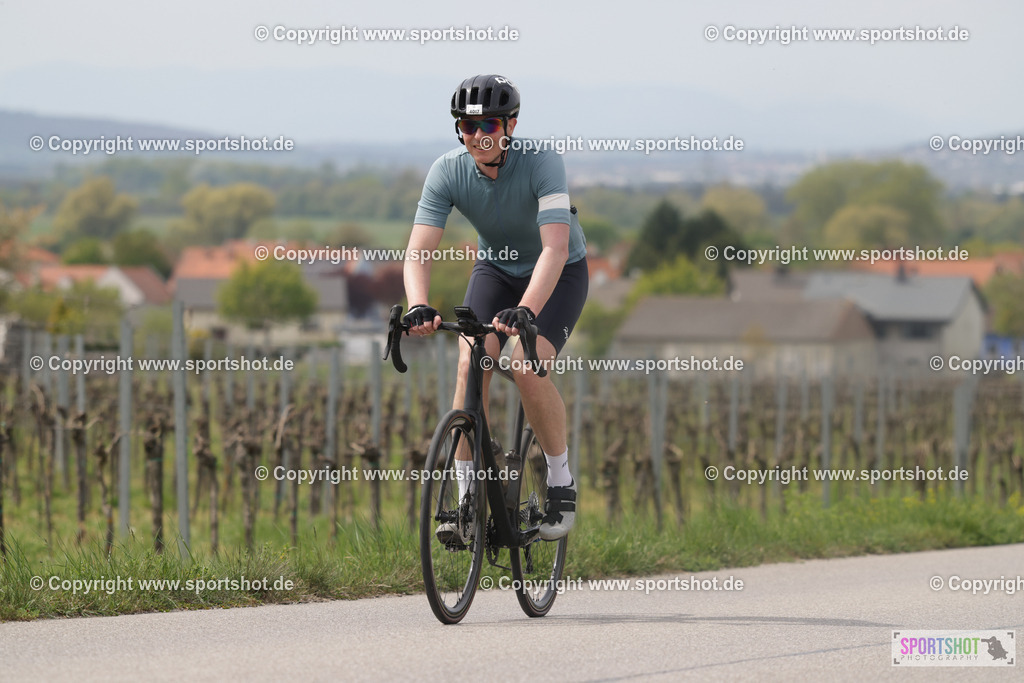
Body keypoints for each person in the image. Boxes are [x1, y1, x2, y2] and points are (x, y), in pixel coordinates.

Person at [402, 74, 588, 543]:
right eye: (466, 126)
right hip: (496, 270)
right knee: (470, 362)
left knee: (525, 367)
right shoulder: (447, 171)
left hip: (558, 272)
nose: (477, 135)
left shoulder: (542, 162)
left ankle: (561, 482)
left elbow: (555, 248)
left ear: (511, 125)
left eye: (488, 124)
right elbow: (418, 250)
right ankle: (467, 503)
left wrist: (525, 310)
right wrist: (419, 304)